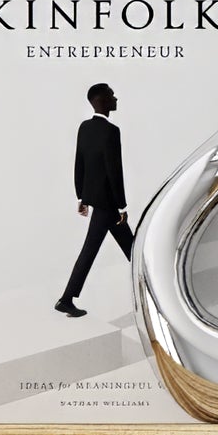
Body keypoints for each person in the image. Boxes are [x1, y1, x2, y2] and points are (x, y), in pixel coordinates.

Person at [58, 83, 131, 317]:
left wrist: (82, 196)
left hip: (96, 201)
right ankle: (66, 298)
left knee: (132, 249)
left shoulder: (85, 128)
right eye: (112, 95)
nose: (116, 98)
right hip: (108, 205)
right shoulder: (111, 131)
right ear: (102, 101)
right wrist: (121, 205)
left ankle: (154, 288)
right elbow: (113, 170)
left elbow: (80, 163)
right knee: (93, 250)